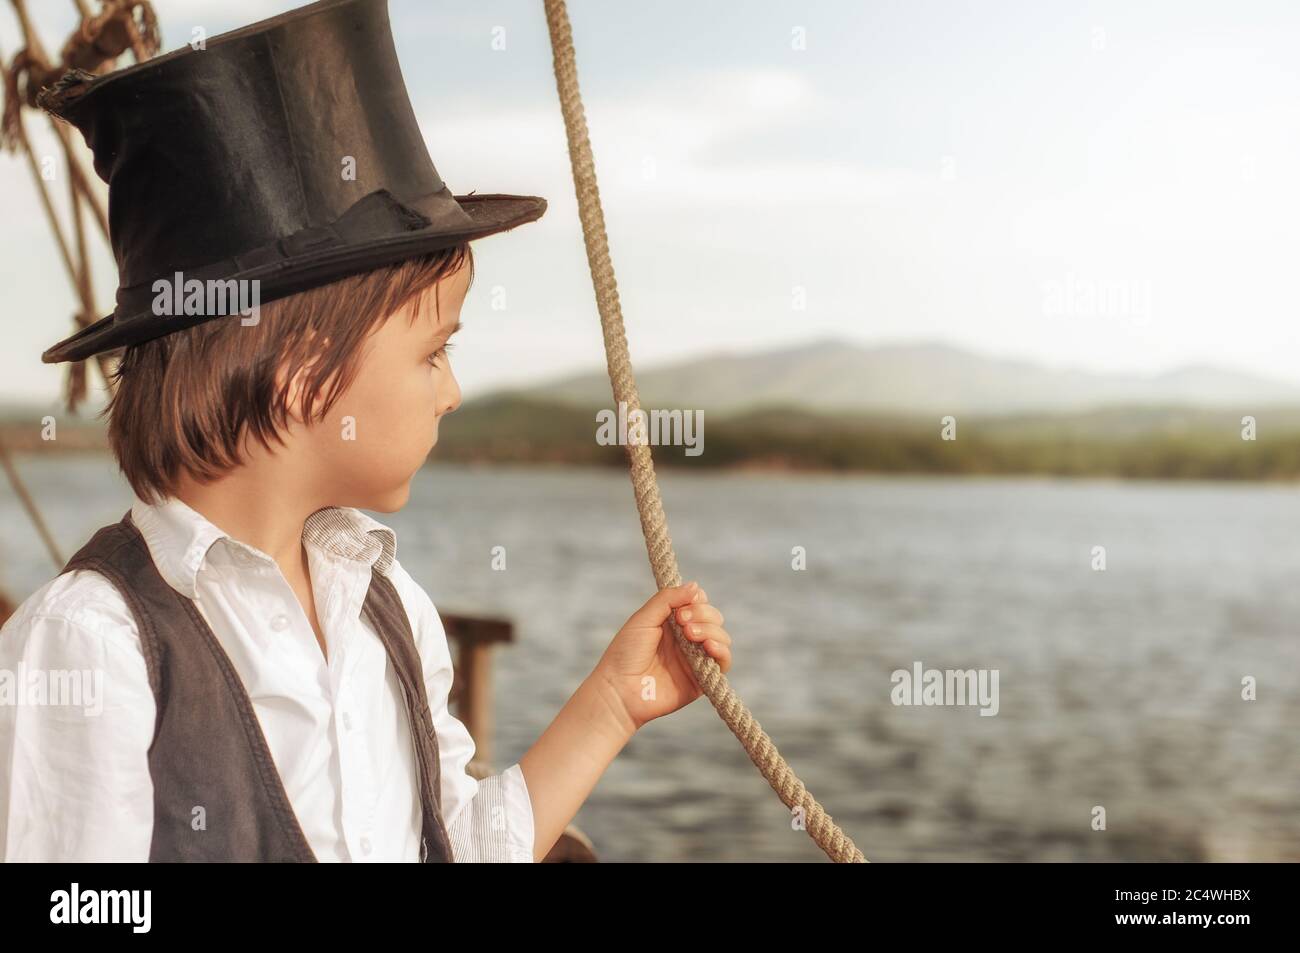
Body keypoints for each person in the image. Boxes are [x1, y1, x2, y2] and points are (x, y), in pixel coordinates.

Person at [0, 0, 732, 862]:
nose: (452, 392)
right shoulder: (92, 643)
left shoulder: (388, 608)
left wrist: (613, 701)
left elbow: (454, 845)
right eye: (434, 353)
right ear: (307, 373)